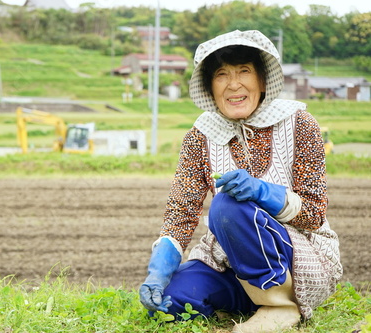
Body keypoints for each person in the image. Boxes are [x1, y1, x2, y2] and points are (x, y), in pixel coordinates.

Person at [139, 30, 342, 333]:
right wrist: (158, 271)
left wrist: (263, 192)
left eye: (244, 71)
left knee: (228, 205)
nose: (233, 84)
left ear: (262, 80)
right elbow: (181, 214)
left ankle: (280, 303)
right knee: (171, 301)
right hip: (230, 261)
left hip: (297, 259)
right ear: (210, 87)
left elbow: (313, 214)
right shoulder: (199, 138)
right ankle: (252, 301)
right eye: (221, 75)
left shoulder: (299, 123)